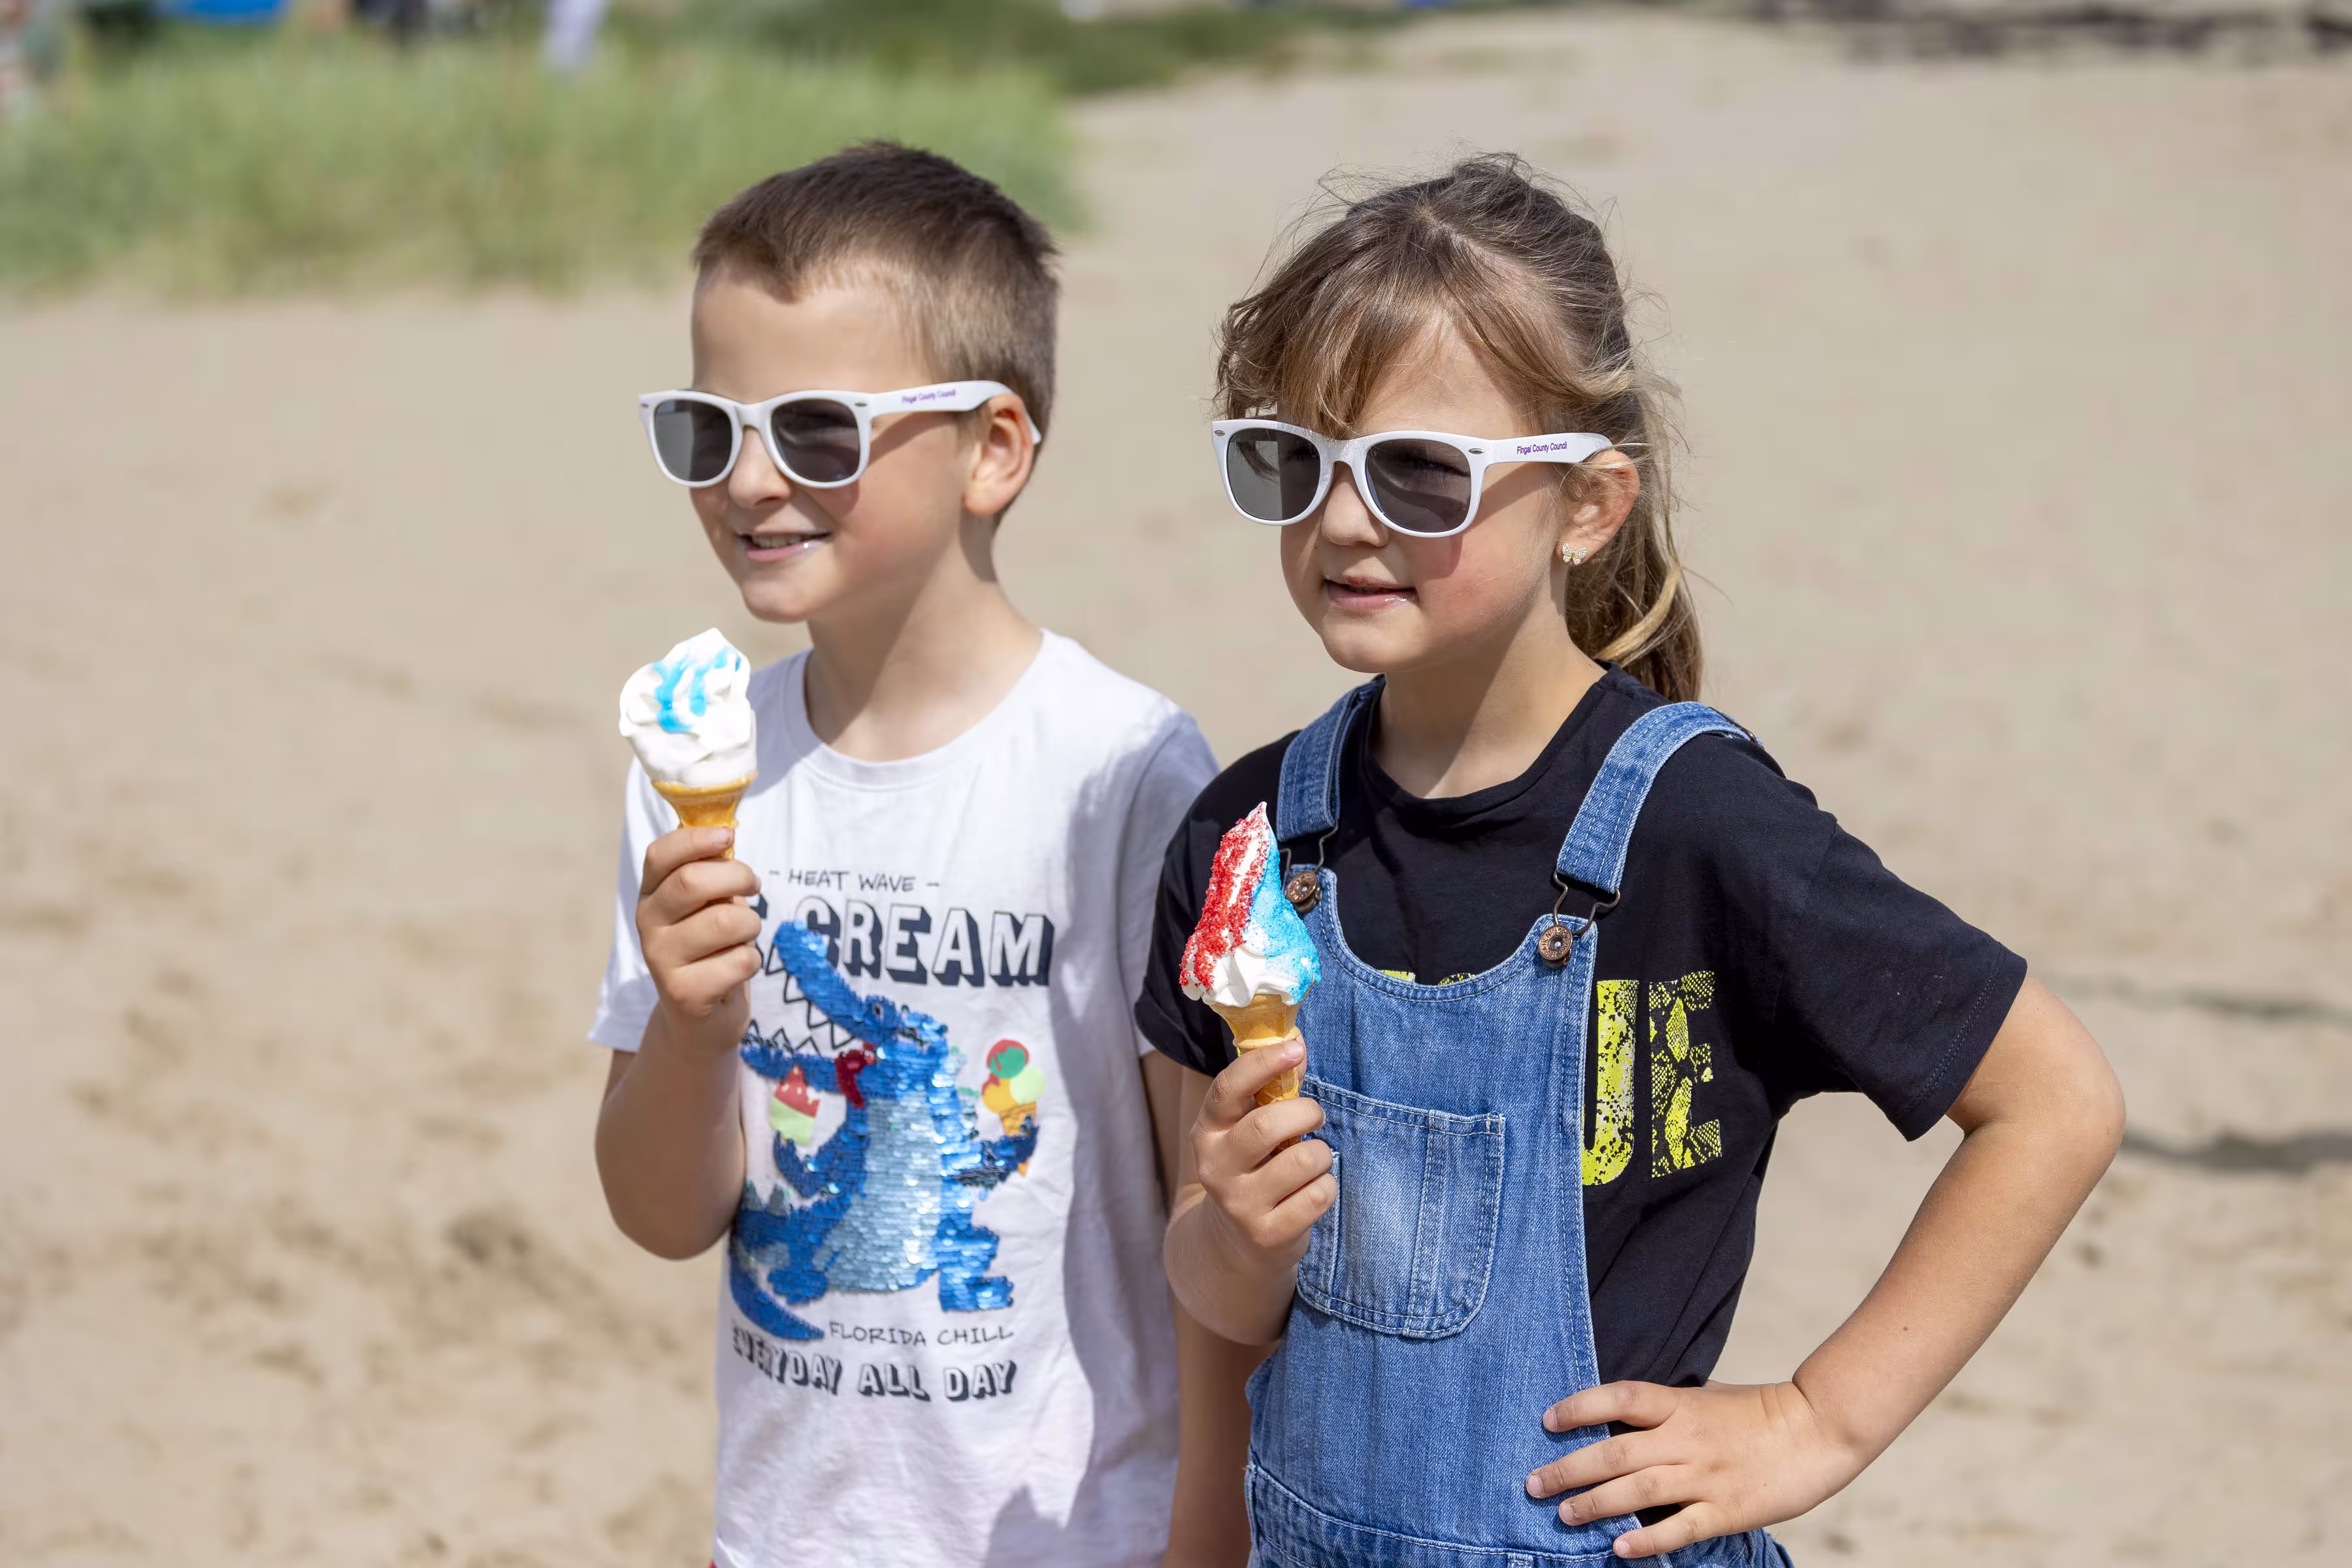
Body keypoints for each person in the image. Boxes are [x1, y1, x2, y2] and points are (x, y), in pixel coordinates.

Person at [1137, 154, 2126, 1567]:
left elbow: (2055, 1100)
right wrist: (1231, 1241)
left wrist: (1811, 1420)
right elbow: (1211, 1305)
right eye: (1292, 462)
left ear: (1591, 504)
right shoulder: (1244, 842)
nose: (1345, 520)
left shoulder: (1700, 829)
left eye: (1420, 473)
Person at [590, 142, 1251, 1568]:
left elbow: (1206, 1219)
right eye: (710, 430)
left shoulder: (1126, 770)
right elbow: (660, 1216)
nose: (751, 481)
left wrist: (1209, 1520)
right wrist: (697, 1039)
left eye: (821, 431)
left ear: (993, 448)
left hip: (1081, 1531)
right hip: (784, 1530)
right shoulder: (703, 766)